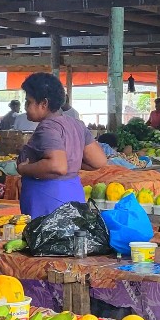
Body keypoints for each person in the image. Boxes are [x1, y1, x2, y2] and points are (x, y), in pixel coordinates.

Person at [16, 72, 107, 219]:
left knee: (48, 241)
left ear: (43, 104)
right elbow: (99, 161)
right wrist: (73, 162)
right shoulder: (76, 124)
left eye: (28, 102)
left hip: (49, 202)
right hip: (73, 195)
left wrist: (24, 168)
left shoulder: (47, 127)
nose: (25, 107)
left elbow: (58, 166)